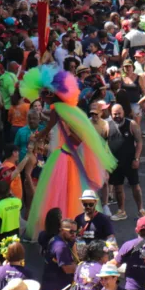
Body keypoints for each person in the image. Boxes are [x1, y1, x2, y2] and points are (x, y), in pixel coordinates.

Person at [20, 66, 117, 239]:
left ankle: (62, 227)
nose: (42, 97)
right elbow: (50, 124)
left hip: (64, 156)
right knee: (67, 190)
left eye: (44, 94)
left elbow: (75, 133)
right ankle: (68, 227)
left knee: (59, 191)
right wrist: (39, 136)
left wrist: (64, 142)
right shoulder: (62, 108)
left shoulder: (59, 109)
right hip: (65, 154)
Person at [105, 104, 145, 221]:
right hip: (115, 163)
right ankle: (121, 211)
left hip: (130, 162)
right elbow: (103, 143)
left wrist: (136, 158)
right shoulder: (107, 126)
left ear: (123, 112)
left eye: (119, 113)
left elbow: (139, 142)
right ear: (111, 114)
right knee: (118, 188)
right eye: (114, 114)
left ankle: (141, 210)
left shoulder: (131, 124)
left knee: (135, 186)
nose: (117, 116)